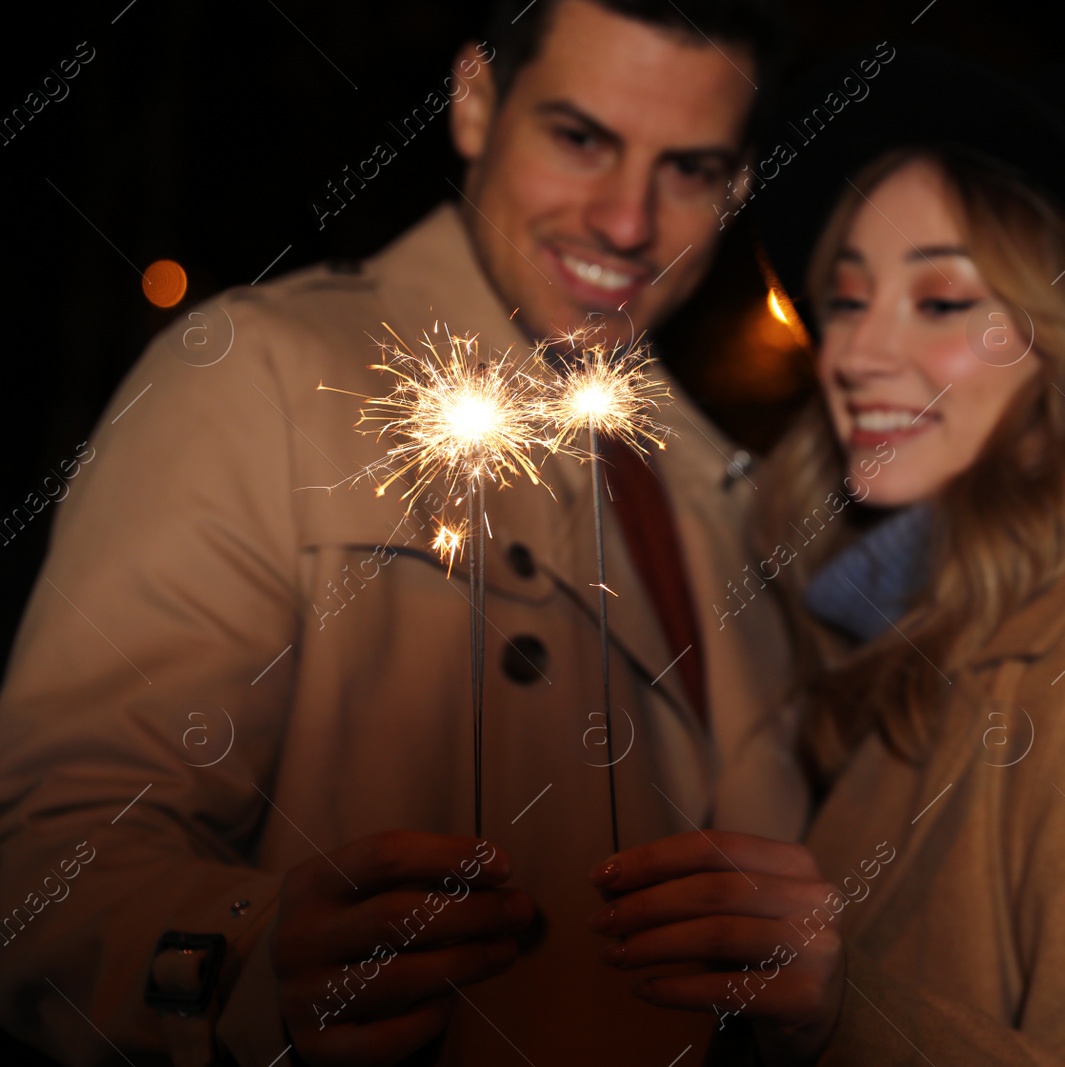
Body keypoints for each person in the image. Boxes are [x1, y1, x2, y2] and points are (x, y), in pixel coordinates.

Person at [0, 1, 807, 1064]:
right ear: (474, 102)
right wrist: (251, 959)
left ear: (738, 185)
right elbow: (50, 853)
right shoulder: (258, 373)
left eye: (689, 169)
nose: (625, 221)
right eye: (580, 139)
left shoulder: (726, 486)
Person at [579, 47, 1065, 1065]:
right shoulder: (921, 656)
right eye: (847, 297)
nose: (856, 352)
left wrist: (844, 1005)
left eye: (944, 301)